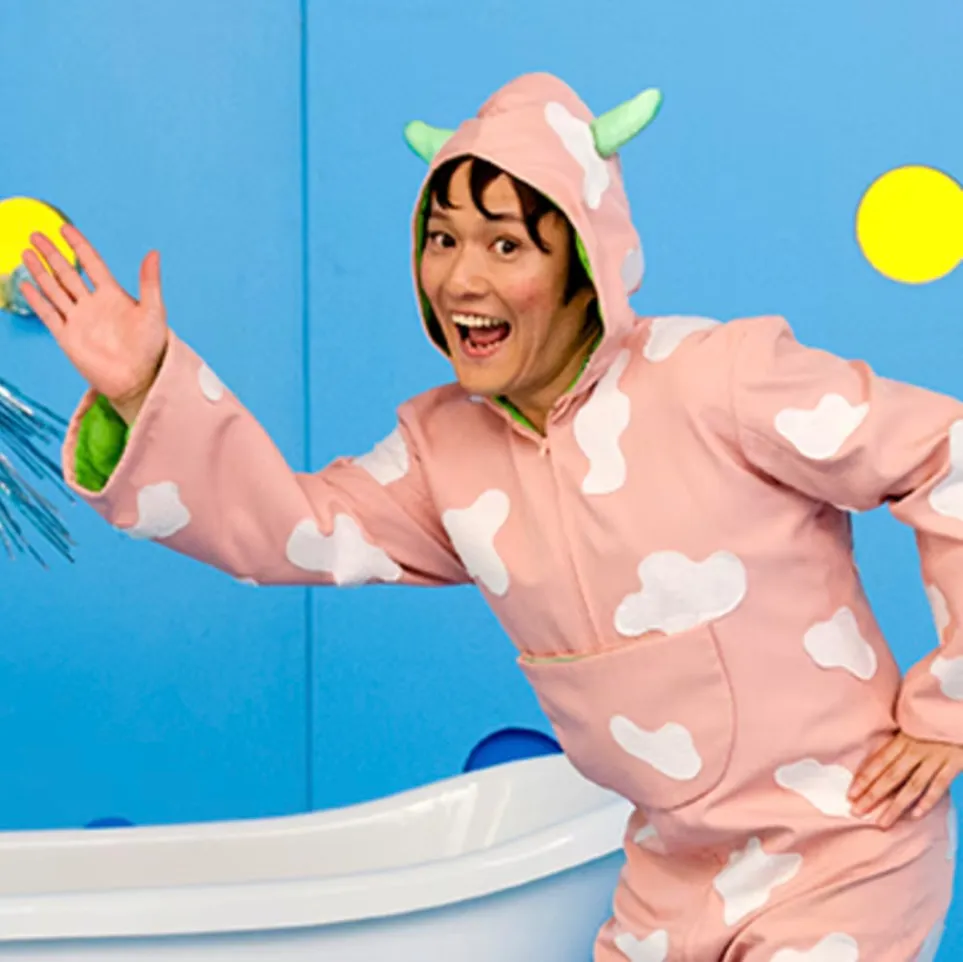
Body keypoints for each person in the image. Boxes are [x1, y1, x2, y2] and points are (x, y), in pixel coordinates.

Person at [20, 72, 962, 959]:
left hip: (844, 855)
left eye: (505, 245)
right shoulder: (443, 452)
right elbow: (288, 527)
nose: (461, 279)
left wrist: (946, 703)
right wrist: (145, 390)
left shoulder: (718, 378)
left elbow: (944, 453)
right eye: (441, 240)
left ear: (584, 266)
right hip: (671, 878)